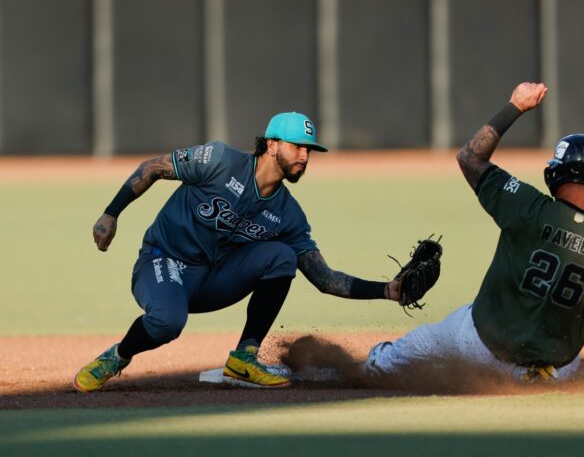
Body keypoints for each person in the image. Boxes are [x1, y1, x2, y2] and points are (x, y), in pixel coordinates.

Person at [74, 112, 410, 392]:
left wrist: (387, 291)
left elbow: (324, 278)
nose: (305, 157)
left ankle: (244, 357)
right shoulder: (220, 161)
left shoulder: (288, 214)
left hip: (213, 279)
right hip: (164, 261)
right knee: (168, 322)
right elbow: (154, 167)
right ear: (272, 144)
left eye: (309, 151)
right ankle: (116, 357)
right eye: (298, 147)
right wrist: (111, 213)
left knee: (282, 256)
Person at [363, 82, 584, 384]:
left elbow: (469, 158)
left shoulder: (527, 206)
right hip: (554, 373)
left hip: (481, 347)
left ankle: (379, 364)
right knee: (567, 357)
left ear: (559, 172)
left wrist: (515, 106)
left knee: (395, 356)